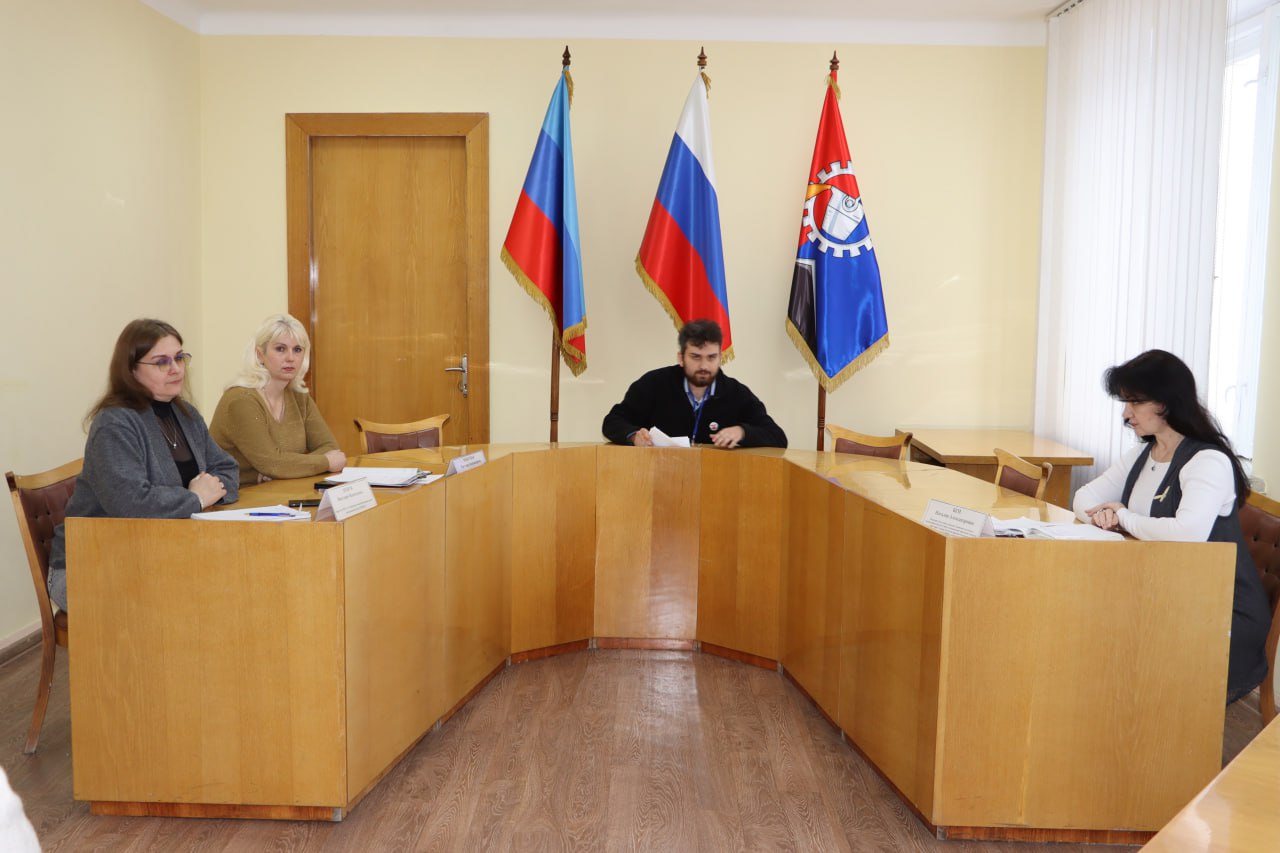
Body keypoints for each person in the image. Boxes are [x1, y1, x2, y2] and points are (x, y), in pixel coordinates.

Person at [1073, 349, 1270, 703]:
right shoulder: (1142, 454)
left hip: (1219, 610)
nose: (1126, 413)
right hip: (1165, 593)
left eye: (1135, 402)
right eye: (1125, 402)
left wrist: (1123, 517)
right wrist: (1103, 516)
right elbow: (1084, 497)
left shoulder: (1208, 461)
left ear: (1166, 401)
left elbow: (1187, 534)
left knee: (1113, 642)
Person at [47, 319, 239, 610]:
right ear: (132, 370)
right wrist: (196, 498)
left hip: (161, 552)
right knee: (193, 601)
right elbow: (131, 502)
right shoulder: (114, 423)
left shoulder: (185, 414)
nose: (175, 369)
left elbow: (227, 468)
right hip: (92, 564)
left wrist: (211, 490)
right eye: (161, 362)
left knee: (234, 580)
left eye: (179, 358)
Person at [602, 319, 787, 449]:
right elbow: (612, 422)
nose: (704, 366)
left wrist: (742, 432)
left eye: (711, 357)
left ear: (720, 358)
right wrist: (634, 436)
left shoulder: (736, 393)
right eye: (696, 357)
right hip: (659, 479)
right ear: (681, 358)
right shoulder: (654, 384)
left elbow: (777, 437)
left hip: (715, 482)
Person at [209, 314, 346, 486]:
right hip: (235, 495)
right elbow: (273, 463)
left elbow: (330, 447)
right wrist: (323, 462)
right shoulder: (241, 400)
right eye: (281, 349)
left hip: (277, 490)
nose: (290, 358)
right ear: (260, 355)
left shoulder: (299, 396)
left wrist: (286, 468)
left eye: (297, 350)